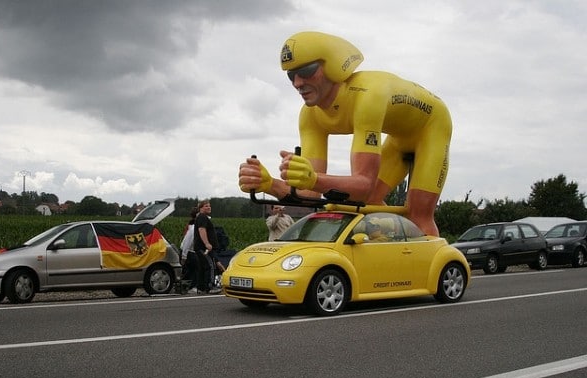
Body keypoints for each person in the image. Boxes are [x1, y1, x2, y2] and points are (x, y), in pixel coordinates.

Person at [238, 31, 452, 236]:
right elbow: (309, 194)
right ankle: (394, 251)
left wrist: (312, 178)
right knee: (364, 204)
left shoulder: (366, 97)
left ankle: (432, 264)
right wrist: (270, 184)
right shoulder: (310, 116)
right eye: (291, 75)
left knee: (418, 214)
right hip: (399, 137)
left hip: (431, 127)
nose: (298, 83)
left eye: (306, 72)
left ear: (330, 65)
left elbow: (363, 185)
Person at [193, 200, 222, 294]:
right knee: (210, 266)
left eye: (209, 206)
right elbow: (202, 230)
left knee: (203, 267)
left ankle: (201, 288)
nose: (209, 207)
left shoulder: (201, 217)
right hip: (203, 247)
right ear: (201, 208)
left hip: (200, 247)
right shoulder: (202, 217)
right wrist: (207, 243)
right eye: (206, 206)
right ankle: (210, 286)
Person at [179, 207, 199, 293]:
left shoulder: (190, 225)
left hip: (187, 250)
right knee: (196, 268)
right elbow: (188, 241)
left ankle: (183, 285)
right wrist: (184, 256)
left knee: (189, 270)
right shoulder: (194, 227)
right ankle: (193, 287)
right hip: (190, 251)